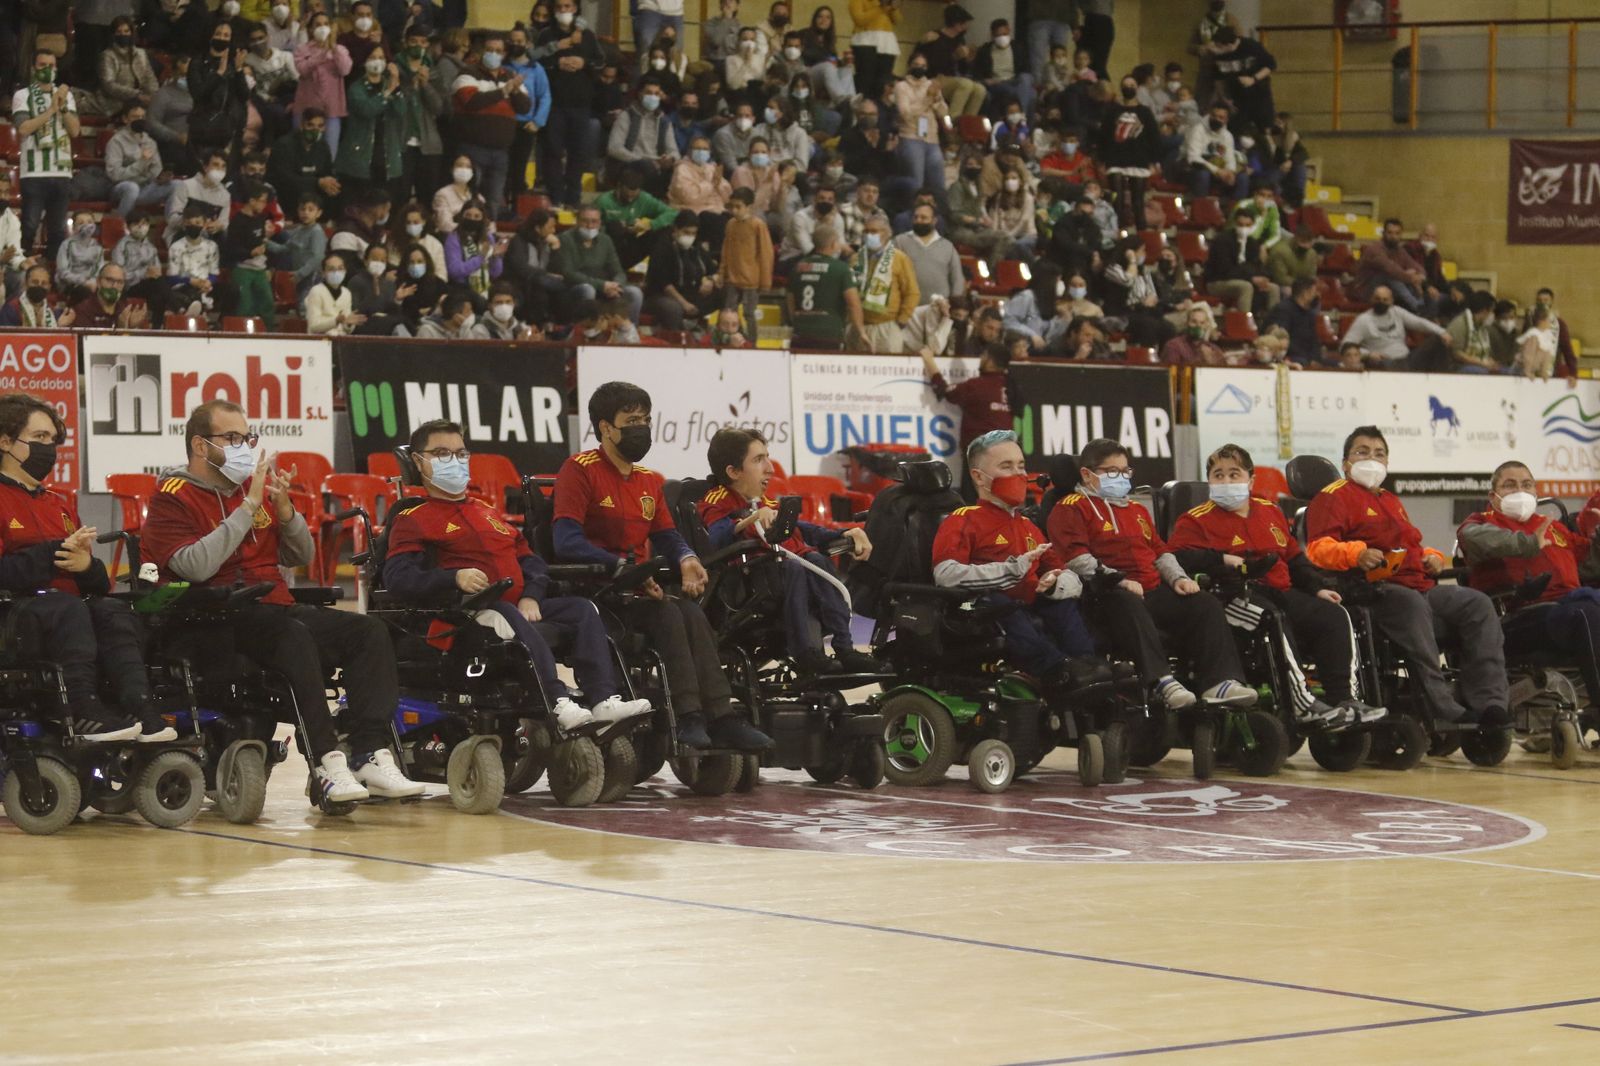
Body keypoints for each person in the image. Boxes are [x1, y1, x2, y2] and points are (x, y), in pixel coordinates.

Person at [142, 399, 423, 802]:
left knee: (368, 631)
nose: (244, 446)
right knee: (292, 634)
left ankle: (368, 752)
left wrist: (286, 512)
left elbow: (301, 557)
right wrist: (249, 506)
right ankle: (326, 762)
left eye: (247, 437)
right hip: (212, 615)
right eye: (233, 438)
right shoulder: (174, 495)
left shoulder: (251, 489)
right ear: (201, 446)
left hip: (272, 605)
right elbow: (196, 566)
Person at [384, 419, 650, 732]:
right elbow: (398, 577)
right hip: (466, 612)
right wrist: (453, 578)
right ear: (419, 461)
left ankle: (604, 701)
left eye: (460, 453)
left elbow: (531, 561)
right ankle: (556, 700)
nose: (454, 461)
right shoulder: (412, 519)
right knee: (505, 612)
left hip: (516, 605)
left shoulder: (486, 512)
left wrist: (532, 594)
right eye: (442, 454)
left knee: (582, 609)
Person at [553, 382, 773, 752]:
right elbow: (565, 540)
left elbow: (668, 536)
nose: (642, 427)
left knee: (690, 611)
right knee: (670, 616)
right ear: (606, 427)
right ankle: (689, 717)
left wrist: (687, 559)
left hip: (638, 590)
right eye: (632, 420)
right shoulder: (580, 469)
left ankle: (722, 717)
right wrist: (620, 566)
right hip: (596, 593)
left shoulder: (649, 480)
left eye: (646, 419)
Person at [1305, 425, 1508, 727]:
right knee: (1411, 603)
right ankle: (1441, 706)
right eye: (1362, 452)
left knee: (1477, 603)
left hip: (1417, 584)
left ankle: (1491, 703)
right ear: (1346, 462)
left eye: (1379, 454)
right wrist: (1356, 553)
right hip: (1370, 589)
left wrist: (1433, 558)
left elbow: (1410, 545)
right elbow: (1317, 548)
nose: (1371, 459)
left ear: (1387, 462)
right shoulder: (1332, 496)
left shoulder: (1389, 500)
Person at [1169, 443, 1384, 729]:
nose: (1226, 481)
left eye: (1234, 474)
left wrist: (1317, 588)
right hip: (1232, 595)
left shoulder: (1270, 511)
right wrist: (1222, 559)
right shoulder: (1195, 519)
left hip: (1280, 590)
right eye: (1218, 475)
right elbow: (1178, 558)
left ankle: (1345, 700)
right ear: (1209, 480)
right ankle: (1303, 705)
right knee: (1273, 619)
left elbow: (1294, 558)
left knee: (1334, 614)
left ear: (1251, 479)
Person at [0, 392, 170, 743]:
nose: (49, 447)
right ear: (5, 442)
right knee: (67, 610)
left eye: (53, 439)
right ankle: (81, 709)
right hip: (15, 612)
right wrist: (53, 553)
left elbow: (96, 585)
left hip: (61, 608)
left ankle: (139, 705)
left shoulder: (58, 505)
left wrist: (86, 566)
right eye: (39, 438)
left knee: (111, 610)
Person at [1047, 436, 1260, 711]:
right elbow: (1076, 559)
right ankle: (1161, 681)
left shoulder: (1136, 510)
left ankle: (1220, 682)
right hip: (1103, 593)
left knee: (1204, 603)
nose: (1121, 478)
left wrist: (1179, 578)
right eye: (1112, 472)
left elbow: (1161, 553)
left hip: (1150, 589)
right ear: (1087, 474)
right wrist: (1120, 579)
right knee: (1126, 600)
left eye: (1126, 472)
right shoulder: (1071, 507)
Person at [700, 428, 878, 674]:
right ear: (733, 472)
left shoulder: (767, 503)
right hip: (751, 583)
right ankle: (805, 652)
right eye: (758, 459)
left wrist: (844, 534)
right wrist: (750, 520)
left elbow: (804, 529)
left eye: (767, 457)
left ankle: (844, 648)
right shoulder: (717, 499)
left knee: (815, 559)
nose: (770, 468)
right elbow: (717, 538)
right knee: (797, 566)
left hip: (792, 570)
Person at [1458, 460, 1600, 708]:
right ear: (1493, 496)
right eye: (1509, 485)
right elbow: (1476, 541)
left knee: (1586, 608)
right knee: (1585, 613)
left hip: (1568, 607)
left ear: (1536, 492)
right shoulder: (1480, 523)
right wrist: (1528, 543)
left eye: (1526, 485)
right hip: (1518, 617)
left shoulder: (1553, 526)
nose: (1520, 491)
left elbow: (1590, 563)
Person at [450, 34, 531, 222]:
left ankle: (490, 240)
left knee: (494, 201)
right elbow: (471, 101)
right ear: (481, 52)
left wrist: (515, 90)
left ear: (504, 54)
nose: (493, 54)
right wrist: (504, 91)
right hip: (472, 149)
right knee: (469, 199)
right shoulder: (467, 73)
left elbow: (525, 107)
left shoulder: (510, 77)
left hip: (501, 152)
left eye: (498, 51)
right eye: (489, 50)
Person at [537, 0, 607, 210]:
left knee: (578, 153)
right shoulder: (546, 34)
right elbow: (535, 61)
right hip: (554, 103)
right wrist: (556, 63)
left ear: (575, 9)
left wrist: (584, 63)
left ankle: (573, 197)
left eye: (568, 6)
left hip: (581, 104)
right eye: (560, 7)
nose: (564, 11)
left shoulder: (587, 35)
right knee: (553, 151)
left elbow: (601, 62)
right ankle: (556, 195)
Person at [919, 338, 1010, 495]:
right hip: (1006, 453)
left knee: (972, 501)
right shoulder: (1010, 388)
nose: (980, 359)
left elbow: (946, 391)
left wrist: (929, 360)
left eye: (983, 356)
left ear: (990, 361)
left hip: (981, 454)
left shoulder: (977, 386)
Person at [13, 50, 78, 261]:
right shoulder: (22, 95)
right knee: (30, 224)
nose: (46, 69)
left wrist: (63, 108)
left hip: (61, 170)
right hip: (34, 171)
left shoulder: (66, 95)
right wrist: (51, 110)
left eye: (51, 65)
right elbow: (23, 128)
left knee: (58, 228)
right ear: (34, 68)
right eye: (42, 65)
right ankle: (23, 264)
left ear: (56, 69)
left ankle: (51, 271)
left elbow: (76, 131)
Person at [553, 204, 644, 323]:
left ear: (600, 223)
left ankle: (629, 334)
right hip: (575, 287)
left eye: (594, 222)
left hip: (605, 287)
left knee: (635, 293)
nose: (590, 226)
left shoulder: (605, 240)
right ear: (577, 221)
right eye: (585, 221)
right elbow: (568, 273)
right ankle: (583, 331)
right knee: (588, 289)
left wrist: (616, 286)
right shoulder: (565, 239)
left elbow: (618, 270)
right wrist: (602, 285)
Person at [1099, 75, 1163, 229]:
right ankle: (1118, 233)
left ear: (1136, 87)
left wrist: (1155, 161)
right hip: (1115, 159)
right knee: (1117, 200)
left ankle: (1142, 236)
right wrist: (1101, 160)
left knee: (1138, 202)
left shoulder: (1145, 112)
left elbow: (1154, 137)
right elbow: (1104, 136)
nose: (1129, 87)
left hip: (1139, 158)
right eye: (1126, 84)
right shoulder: (1112, 110)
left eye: (1132, 84)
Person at [786, 224, 862, 350]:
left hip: (800, 332)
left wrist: (797, 321)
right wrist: (861, 331)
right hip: (829, 332)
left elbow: (790, 301)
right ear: (833, 244)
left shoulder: (797, 267)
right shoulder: (841, 269)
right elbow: (854, 304)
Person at [188, 19, 252, 163]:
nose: (222, 38)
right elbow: (198, 94)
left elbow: (244, 95)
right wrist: (219, 73)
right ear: (210, 36)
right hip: (203, 127)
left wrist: (239, 70)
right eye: (218, 34)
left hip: (229, 128)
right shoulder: (198, 61)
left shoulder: (234, 63)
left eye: (226, 35)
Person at [851, 217, 919, 353]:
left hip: (888, 326)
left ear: (887, 233)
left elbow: (912, 292)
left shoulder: (900, 258)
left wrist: (902, 319)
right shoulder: (856, 258)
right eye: (866, 231)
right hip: (859, 326)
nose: (870, 235)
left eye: (874, 231)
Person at [1340, 285, 1448, 368]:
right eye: (1377, 299)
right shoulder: (1363, 320)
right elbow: (1345, 346)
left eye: (1385, 299)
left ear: (1391, 301)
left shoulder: (1397, 312)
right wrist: (1368, 354)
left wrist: (1442, 332)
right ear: (1372, 299)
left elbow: (1419, 323)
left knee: (1438, 341)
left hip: (1407, 359)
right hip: (1385, 363)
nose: (1381, 302)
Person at [893, 57, 950, 210]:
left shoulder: (931, 85)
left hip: (932, 139)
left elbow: (943, 112)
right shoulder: (901, 87)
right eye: (916, 65)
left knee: (938, 184)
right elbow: (905, 114)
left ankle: (941, 219)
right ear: (909, 66)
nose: (920, 68)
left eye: (923, 65)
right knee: (916, 184)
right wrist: (928, 98)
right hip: (910, 137)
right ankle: (914, 216)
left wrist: (937, 96)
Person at [644, 214, 718, 332]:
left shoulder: (696, 247)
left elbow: (713, 269)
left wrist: (710, 280)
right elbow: (665, 285)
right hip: (661, 296)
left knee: (727, 291)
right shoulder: (662, 248)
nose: (690, 237)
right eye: (686, 232)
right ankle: (678, 337)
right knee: (673, 308)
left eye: (693, 233)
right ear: (676, 229)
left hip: (691, 293)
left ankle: (723, 334)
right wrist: (684, 304)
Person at [597, 166, 679, 270]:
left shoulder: (644, 199)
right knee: (614, 226)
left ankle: (654, 275)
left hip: (631, 245)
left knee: (665, 231)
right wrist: (623, 228)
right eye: (626, 196)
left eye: (634, 197)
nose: (630, 200)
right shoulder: (603, 201)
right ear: (619, 186)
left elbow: (672, 213)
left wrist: (649, 225)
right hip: (608, 247)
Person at [607, 75, 678, 192]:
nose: (653, 97)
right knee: (646, 167)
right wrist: (643, 160)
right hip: (632, 164)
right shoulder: (627, 116)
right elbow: (614, 148)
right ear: (640, 94)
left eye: (656, 94)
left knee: (680, 168)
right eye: (649, 93)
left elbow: (674, 151)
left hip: (658, 165)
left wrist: (670, 159)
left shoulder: (664, 121)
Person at [1205, 206, 1279, 316]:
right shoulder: (1222, 240)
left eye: (1247, 225)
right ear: (1235, 223)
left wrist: (1264, 278)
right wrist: (1252, 278)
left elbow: (1256, 265)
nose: (1244, 228)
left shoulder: (1253, 243)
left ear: (1253, 225)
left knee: (1273, 288)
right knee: (1245, 287)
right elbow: (1225, 270)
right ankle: (1244, 325)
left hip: (1246, 279)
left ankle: (1272, 325)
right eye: (1240, 225)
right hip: (1218, 281)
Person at [720, 188, 772, 336]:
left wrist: (765, 282)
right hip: (732, 278)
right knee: (730, 312)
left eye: (738, 207)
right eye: (732, 207)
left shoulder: (758, 225)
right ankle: (732, 339)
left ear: (749, 207)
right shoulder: (730, 224)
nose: (734, 210)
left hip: (751, 280)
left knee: (749, 313)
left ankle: (752, 344)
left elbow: (765, 253)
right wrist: (722, 273)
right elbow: (726, 251)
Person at [668, 135, 732, 250]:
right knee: (714, 220)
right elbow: (690, 196)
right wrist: (711, 184)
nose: (701, 152)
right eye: (697, 149)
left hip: (716, 210)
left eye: (705, 149)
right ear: (690, 151)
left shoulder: (711, 168)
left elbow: (728, 197)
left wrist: (718, 184)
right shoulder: (682, 169)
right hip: (694, 212)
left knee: (735, 219)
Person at [892, 202, 963, 304]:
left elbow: (957, 278)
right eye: (916, 217)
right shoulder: (899, 241)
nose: (918, 220)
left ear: (934, 221)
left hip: (938, 309)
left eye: (923, 217)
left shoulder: (948, 247)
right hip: (906, 307)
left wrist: (955, 302)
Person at [1209, 27, 1275, 133]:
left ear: (1230, 45)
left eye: (1220, 46)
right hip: (1237, 96)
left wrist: (1253, 79)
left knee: (1264, 127)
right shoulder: (1218, 55)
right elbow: (1218, 78)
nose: (1218, 49)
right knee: (1236, 128)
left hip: (1259, 93)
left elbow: (1270, 65)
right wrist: (1225, 98)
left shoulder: (1251, 46)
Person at [1356, 218, 1429, 312]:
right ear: (1383, 233)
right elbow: (1390, 268)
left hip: (1387, 289)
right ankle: (1417, 307)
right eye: (1390, 233)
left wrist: (1420, 276)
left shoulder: (1399, 250)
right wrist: (1410, 277)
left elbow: (1416, 266)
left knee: (1409, 275)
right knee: (1390, 275)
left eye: (1397, 233)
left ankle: (1420, 306)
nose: (1393, 236)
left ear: (1401, 235)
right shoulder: (1374, 249)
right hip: (1366, 290)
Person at [1184, 103, 1247, 200]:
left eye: (1221, 117)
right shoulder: (1198, 130)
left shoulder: (1227, 135)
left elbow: (1229, 157)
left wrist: (1230, 172)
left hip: (1217, 170)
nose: (1216, 119)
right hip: (1193, 168)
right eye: (1214, 116)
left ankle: (1234, 210)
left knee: (1242, 178)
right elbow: (1193, 158)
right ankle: (1201, 208)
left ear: (1226, 120)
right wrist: (1218, 171)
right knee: (1203, 175)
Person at [849, 0, 901, 101]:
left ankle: (879, 110)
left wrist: (894, 8)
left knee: (883, 81)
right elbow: (859, 20)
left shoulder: (888, 3)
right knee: (865, 80)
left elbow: (898, 21)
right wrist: (880, 8)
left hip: (887, 43)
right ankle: (862, 109)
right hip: (865, 42)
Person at [305, 253, 364, 335]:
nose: (336, 272)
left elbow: (347, 329)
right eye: (331, 269)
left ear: (345, 271)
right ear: (323, 273)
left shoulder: (346, 293)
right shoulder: (316, 291)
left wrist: (349, 324)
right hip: (320, 341)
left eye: (340, 268)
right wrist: (335, 321)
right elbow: (313, 325)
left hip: (340, 341)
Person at [1516, 304, 1559, 380]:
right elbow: (1528, 354)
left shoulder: (1547, 335)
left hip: (1535, 370)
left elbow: (1547, 355)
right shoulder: (1533, 335)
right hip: (1522, 370)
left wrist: (1544, 371)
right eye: (1549, 320)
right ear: (1542, 321)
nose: (1550, 322)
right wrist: (1527, 370)